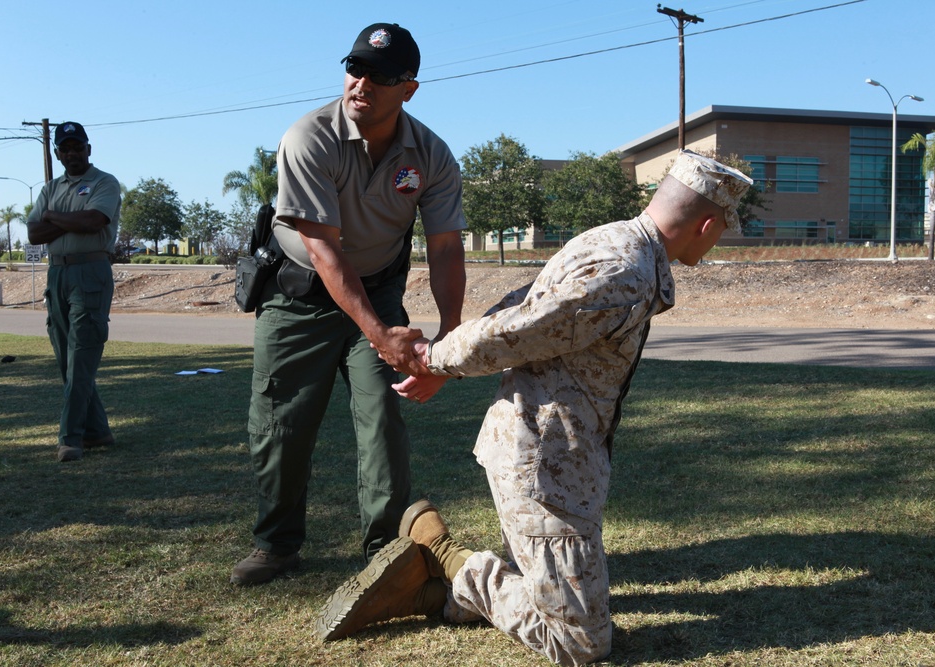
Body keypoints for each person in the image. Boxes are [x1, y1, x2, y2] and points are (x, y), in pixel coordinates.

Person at [314, 150, 753, 666]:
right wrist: (437, 359)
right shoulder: (624, 269)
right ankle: (451, 563)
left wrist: (445, 362)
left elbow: (520, 304)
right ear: (705, 223)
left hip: (555, 458)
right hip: (544, 469)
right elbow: (520, 328)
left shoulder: (609, 240)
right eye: (723, 226)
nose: (722, 235)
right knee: (582, 643)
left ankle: (433, 592)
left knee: (560, 596)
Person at [231, 22, 467, 586]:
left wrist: (450, 345)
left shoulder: (431, 155)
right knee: (280, 424)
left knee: (382, 418)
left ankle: (386, 552)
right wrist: (381, 335)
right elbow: (324, 251)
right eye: (355, 68)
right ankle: (277, 545)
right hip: (298, 296)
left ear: (408, 88)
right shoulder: (308, 137)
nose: (362, 83)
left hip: (380, 290)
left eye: (381, 75)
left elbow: (446, 248)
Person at [26, 122, 121, 463]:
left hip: (90, 271)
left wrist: (53, 216)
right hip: (56, 274)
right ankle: (97, 431)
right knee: (67, 359)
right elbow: (35, 233)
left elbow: (93, 221)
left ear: (88, 149)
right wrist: (63, 217)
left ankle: (71, 438)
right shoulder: (51, 187)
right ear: (57, 153)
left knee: (81, 356)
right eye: (65, 149)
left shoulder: (104, 182)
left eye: (77, 147)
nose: (72, 154)